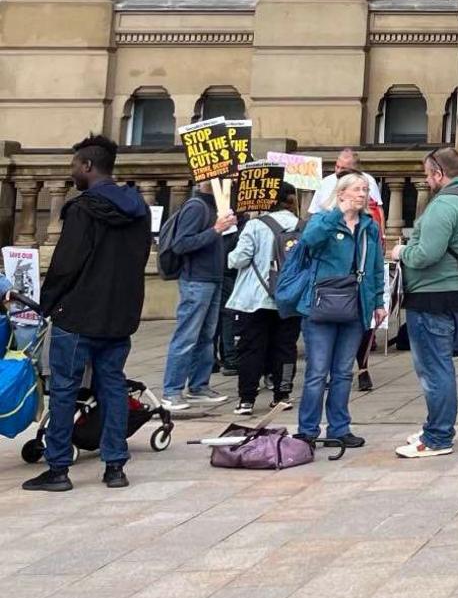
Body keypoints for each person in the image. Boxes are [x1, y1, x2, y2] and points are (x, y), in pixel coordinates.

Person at [18, 136, 152, 492]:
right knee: (112, 386)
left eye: (75, 165)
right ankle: (115, 466)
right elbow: (138, 260)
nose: (72, 171)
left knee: (64, 390)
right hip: (119, 314)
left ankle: (59, 467)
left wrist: (48, 302)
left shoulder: (82, 209)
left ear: (88, 166)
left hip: (77, 313)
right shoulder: (139, 208)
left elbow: (65, 264)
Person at [394, 147, 458, 459]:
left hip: (433, 293)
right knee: (439, 364)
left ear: (439, 173)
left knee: (434, 368)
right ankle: (437, 426)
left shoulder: (445, 205)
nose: (426, 180)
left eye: (427, 173)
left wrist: (401, 252)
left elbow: (425, 254)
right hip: (455, 290)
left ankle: (438, 436)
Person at [295, 172, 385, 448]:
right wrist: (338, 214)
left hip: (355, 304)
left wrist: (379, 300)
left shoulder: (368, 226)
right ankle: (307, 430)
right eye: (358, 189)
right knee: (317, 372)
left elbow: (375, 265)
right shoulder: (324, 219)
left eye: (366, 189)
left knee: (344, 371)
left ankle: (339, 428)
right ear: (342, 193)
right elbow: (308, 241)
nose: (363, 194)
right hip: (322, 304)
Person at [158, 181, 236, 411]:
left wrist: (227, 227)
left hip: (213, 278)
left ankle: (199, 386)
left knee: (207, 336)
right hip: (196, 280)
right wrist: (215, 230)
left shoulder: (216, 208)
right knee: (187, 336)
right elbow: (181, 244)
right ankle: (171, 391)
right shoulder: (196, 207)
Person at [225, 187, 301, 416]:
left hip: (254, 298)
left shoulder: (256, 225)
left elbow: (238, 259)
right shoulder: (302, 226)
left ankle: (247, 399)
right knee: (286, 348)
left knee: (251, 349)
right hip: (289, 298)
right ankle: (283, 394)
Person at [310, 147, 383, 214]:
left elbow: (378, 210)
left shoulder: (367, 180)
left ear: (354, 168)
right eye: (337, 166)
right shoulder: (325, 182)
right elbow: (314, 211)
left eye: (343, 168)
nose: (338, 171)